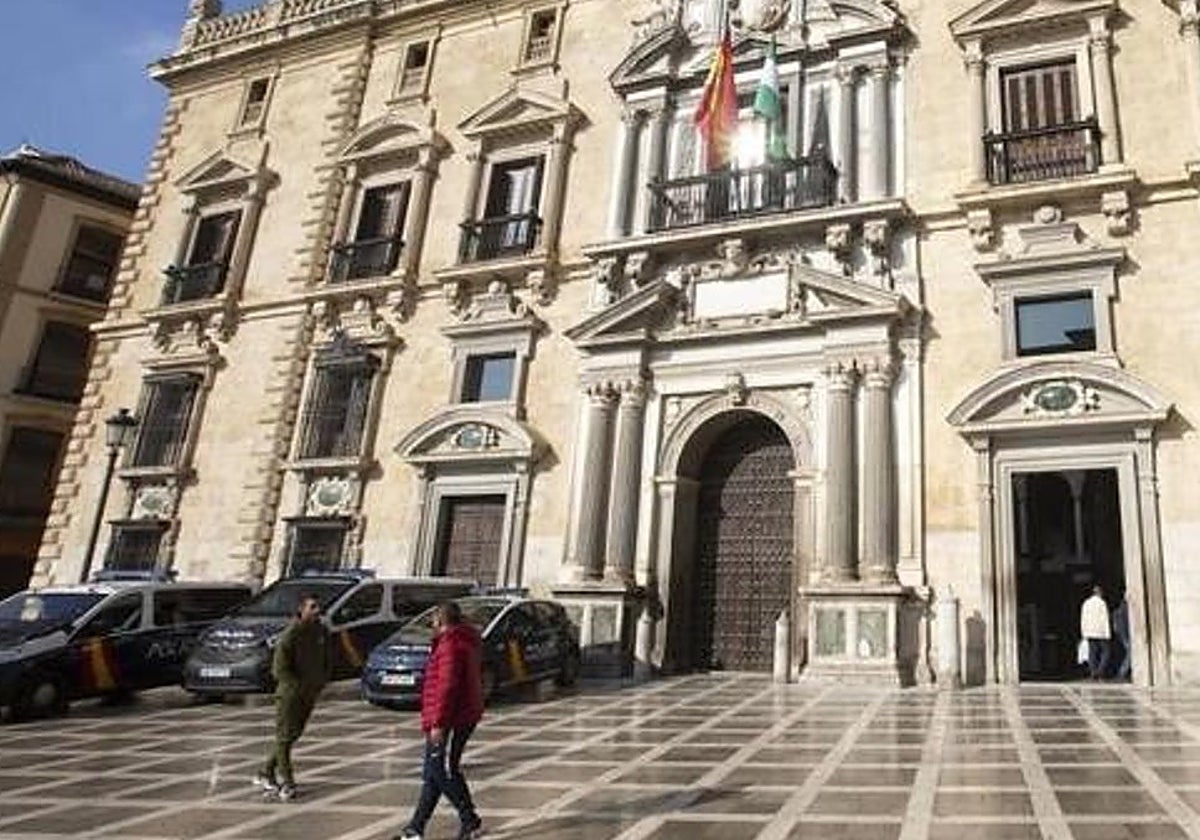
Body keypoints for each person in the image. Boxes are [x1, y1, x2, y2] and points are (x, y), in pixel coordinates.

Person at [396, 601, 484, 840]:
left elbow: (447, 687)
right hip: (454, 716)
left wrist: (438, 723)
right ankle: (415, 828)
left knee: (443, 770)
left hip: (452, 719)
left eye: (433, 619)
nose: (431, 624)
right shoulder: (457, 641)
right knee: (433, 773)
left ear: (440, 620)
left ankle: (470, 819)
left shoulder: (451, 645)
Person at [253, 594, 331, 801]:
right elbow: (279, 669)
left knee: (292, 735)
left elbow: (327, 658)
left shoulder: (321, 631)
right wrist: (295, 686)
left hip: (310, 692)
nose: (317, 611)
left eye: (318, 607)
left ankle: (265, 772)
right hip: (290, 694)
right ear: (301, 610)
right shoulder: (291, 634)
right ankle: (287, 782)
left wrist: (322, 680)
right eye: (312, 607)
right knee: (284, 736)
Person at [1079, 585, 1111, 681]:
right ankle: (1100, 672)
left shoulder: (1086, 603)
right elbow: (1105, 618)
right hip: (1101, 632)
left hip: (1089, 631)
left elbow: (1083, 619)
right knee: (1106, 652)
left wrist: (1083, 632)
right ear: (1100, 593)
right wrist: (1108, 633)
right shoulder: (1102, 603)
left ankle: (1093, 673)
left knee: (1092, 653)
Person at [1113, 594, 1132, 681]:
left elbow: (1116, 626)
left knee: (1128, 653)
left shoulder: (1118, 611)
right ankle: (1122, 673)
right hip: (1126, 634)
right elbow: (1124, 624)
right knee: (1130, 653)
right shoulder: (1125, 610)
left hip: (1122, 634)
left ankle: (1124, 672)